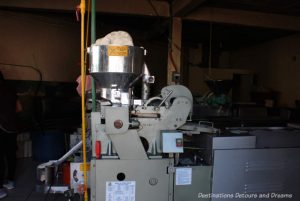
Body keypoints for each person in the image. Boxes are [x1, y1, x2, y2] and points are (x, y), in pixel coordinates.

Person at [0, 71, 22, 199]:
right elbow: (19, 108)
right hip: (12, 127)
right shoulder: (11, 90)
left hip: (1, 127)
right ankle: (10, 181)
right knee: (10, 154)